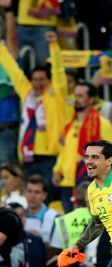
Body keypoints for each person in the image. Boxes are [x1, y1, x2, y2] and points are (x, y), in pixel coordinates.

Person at [0, 31, 67, 186]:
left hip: (50, 155)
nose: (38, 83)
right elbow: (13, 71)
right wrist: (1, 48)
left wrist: (54, 46)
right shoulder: (27, 93)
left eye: (42, 79)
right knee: (31, 196)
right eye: (35, 80)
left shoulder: (56, 95)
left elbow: (58, 72)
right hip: (28, 155)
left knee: (48, 193)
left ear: (48, 81)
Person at [53, 82, 112, 213]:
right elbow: (65, 151)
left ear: (91, 99)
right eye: (75, 95)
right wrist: (57, 170)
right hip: (67, 183)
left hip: (90, 183)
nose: (76, 99)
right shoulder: (70, 125)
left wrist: (104, 173)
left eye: (80, 96)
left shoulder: (102, 123)